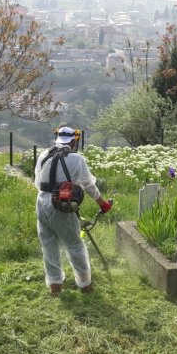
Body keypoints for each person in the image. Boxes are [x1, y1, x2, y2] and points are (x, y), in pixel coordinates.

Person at [34, 126, 111, 296]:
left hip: (41, 201)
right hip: (60, 204)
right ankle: (85, 285)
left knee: (49, 246)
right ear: (72, 141)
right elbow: (88, 184)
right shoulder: (76, 159)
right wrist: (102, 203)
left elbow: (37, 182)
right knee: (75, 246)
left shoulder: (43, 155)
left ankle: (55, 287)